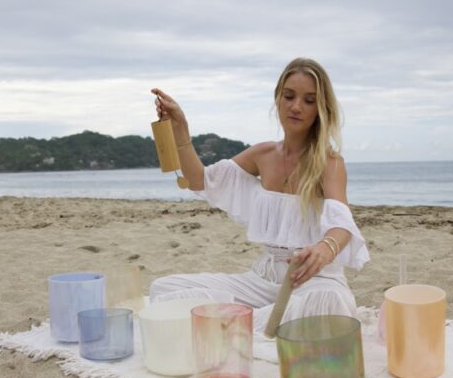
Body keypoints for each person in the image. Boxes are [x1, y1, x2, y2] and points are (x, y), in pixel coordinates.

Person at [149, 57, 370, 342]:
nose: (296, 106)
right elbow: (200, 180)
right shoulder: (263, 155)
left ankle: (236, 325)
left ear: (321, 108)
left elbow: (341, 224)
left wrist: (325, 249)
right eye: (289, 96)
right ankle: (256, 323)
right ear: (277, 98)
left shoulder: (329, 162)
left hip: (313, 283)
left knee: (329, 304)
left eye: (309, 100)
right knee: (163, 289)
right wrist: (181, 126)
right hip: (262, 281)